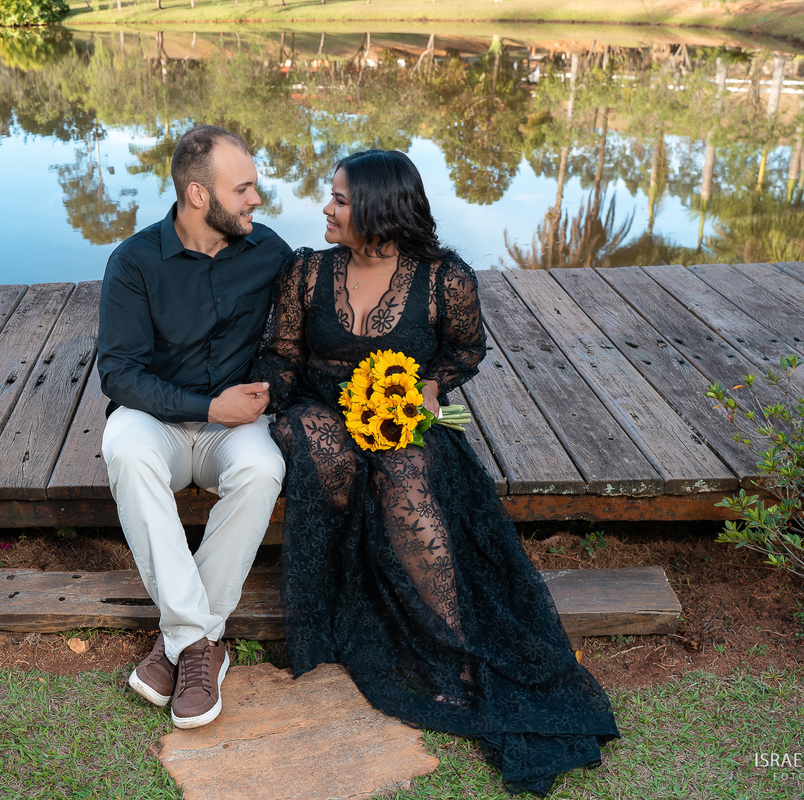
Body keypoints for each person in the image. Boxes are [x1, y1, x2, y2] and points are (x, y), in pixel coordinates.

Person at [252, 149, 619, 796]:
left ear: (378, 209)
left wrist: (426, 387)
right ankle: (318, 639)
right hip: (316, 407)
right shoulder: (306, 272)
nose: (326, 209)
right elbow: (282, 353)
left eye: (339, 199)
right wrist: (266, 400)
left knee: (406, 475)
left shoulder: (445, 278)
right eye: (331, 197)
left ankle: (452, 653)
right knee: (325, 453)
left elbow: (466, 349)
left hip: (398, 416)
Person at [97, 125, 291, 729]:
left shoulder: (271, 254)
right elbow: (119, 374)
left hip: (234, 430)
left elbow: (297, 344)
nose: (256, 199)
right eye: (244, 189)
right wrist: (209, 408)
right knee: (123, 447)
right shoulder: (133, 262)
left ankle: (179, 642)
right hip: (161, 421)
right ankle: (201, 642)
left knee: (264, 467)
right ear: (199, 196)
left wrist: (263, 391)